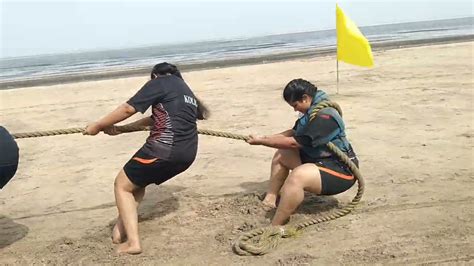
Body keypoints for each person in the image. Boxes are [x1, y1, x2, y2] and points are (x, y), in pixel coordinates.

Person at [84, 62, 209, 254]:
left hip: (163, 150)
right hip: (187, 154)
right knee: (137, 183)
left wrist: (98, 125)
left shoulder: (160, 82)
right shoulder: (186, 91)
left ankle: (133, 243)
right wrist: (120, 129)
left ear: (154, 76)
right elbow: (153, 119)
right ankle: (119, 232)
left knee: (122, 185)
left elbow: (128, 108)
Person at [246, 78, 358, 226]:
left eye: (295, 105)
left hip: (341, 172)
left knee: (297, 177)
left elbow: (294, 142)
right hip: (319, 160)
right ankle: (271, 198)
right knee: (282, 154)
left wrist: (262, 142)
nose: (294, 109)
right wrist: (265, 138)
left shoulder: (326, 116)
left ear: (305, 98)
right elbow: (293, 133)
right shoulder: (310, 111)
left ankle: (276, 225)